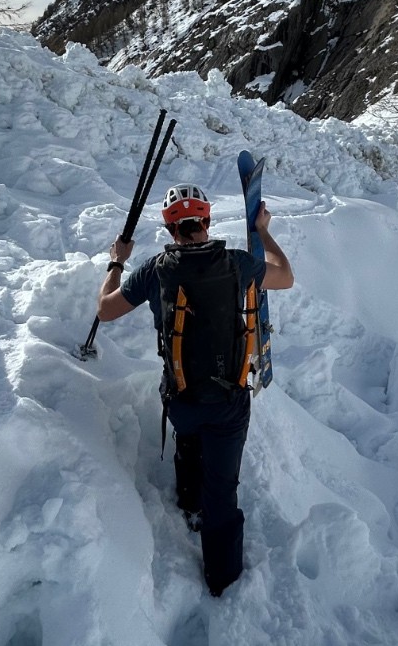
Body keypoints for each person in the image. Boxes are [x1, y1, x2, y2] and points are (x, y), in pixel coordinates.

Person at [96, 183, 294, 596]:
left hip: (181, 401)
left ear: (171, 231)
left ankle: (188, 500)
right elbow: (285, 276)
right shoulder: (238, 264)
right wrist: (263, 234)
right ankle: (222, 579)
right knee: (222, 491)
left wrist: (117, 261)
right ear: (207, 221)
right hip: (228, 404)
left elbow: (106, 309)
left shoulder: (155, 270)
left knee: (189, 435)